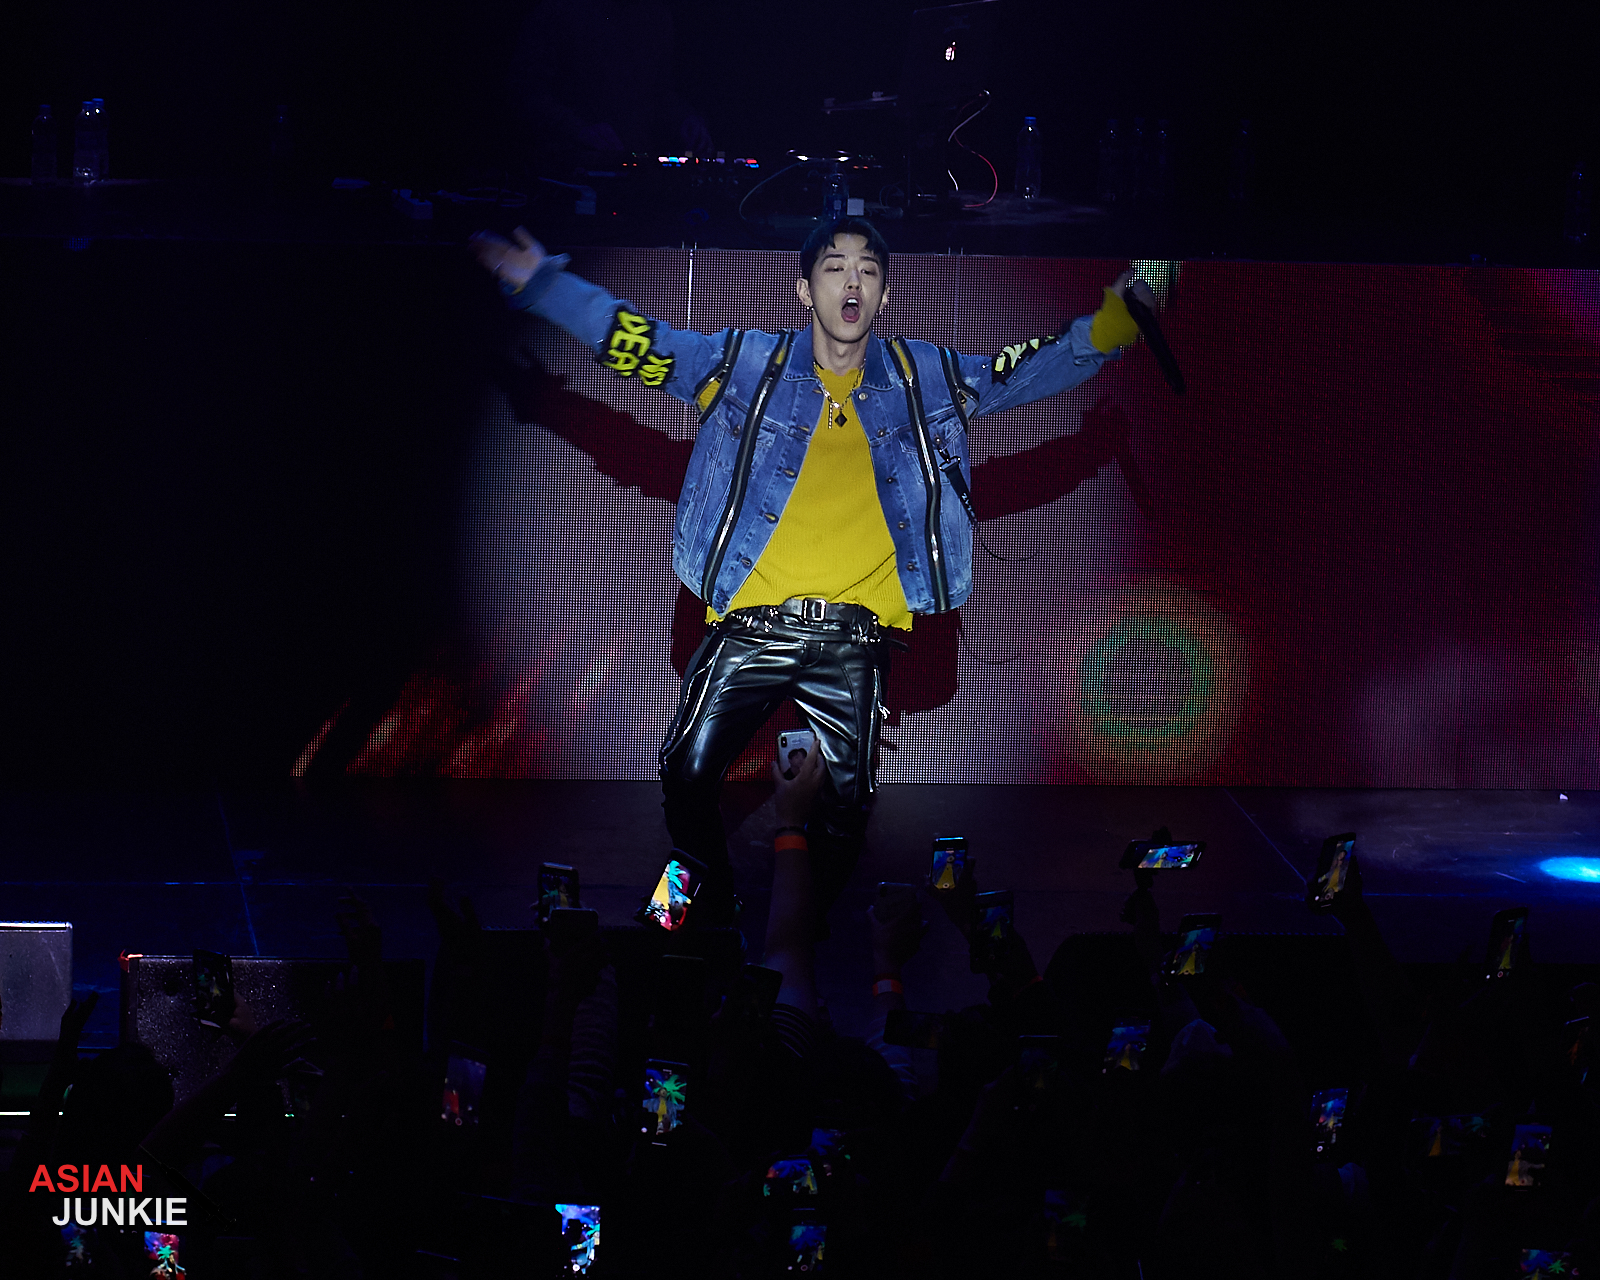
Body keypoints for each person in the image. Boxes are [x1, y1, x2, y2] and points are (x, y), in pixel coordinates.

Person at [469, 217, 1155, 925]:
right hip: (751, 629)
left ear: (884, 295)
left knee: (847, 808)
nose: (852, 281)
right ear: (805, 289)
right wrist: (544, 287)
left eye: (868, 271)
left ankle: (799, 929)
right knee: (684, 772)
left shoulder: (925, 378)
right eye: (835, 267)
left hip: (852, 642)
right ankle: (699, 913)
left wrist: (1113, 326)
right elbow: (639, 341)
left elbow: (1029, 369)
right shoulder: (747, 364)